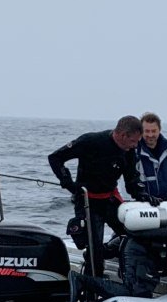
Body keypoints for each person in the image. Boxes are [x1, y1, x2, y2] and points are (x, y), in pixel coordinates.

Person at [48, 116, 147, 277]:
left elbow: (131, 179)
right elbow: (55, 158)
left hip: (109, 198)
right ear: (122, 136)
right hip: (87, 200)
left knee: (133, 234)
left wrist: (143, 195)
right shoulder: (91, 141)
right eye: (134, 141)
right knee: (94, 250)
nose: (136, 146)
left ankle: (126, 272)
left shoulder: (129, 151)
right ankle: (92, 285)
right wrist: (68, 183)